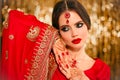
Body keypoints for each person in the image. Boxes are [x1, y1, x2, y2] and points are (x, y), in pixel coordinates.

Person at [50, 0, 110, 80]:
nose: (74, 33)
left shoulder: (101, 69)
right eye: (65, 29)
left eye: (79, 25)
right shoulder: (49, 62)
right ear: (58, 32)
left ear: (87, 25)